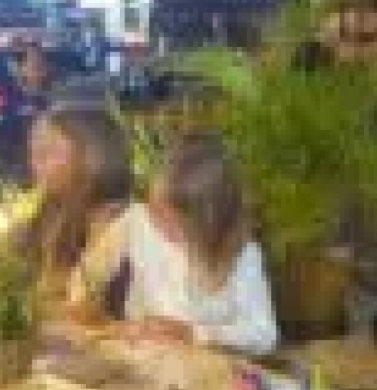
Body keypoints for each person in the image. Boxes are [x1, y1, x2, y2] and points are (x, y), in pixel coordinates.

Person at [71, 130, 278, 355]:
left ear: (206, 222)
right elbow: (87, 274)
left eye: (171, 221)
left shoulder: (243, 254)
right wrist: (87, 307)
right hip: (139, 357)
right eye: (155, 211)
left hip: (205, 366)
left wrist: (194, 332)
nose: (157, 224)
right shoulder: (136, 221)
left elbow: (263, 334)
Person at [19, 103, 132, 292]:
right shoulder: (51, 215)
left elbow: (84, 298)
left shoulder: (118, 222)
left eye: (47, 152)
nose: (34, 164)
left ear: (93, 154)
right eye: (33, 153)